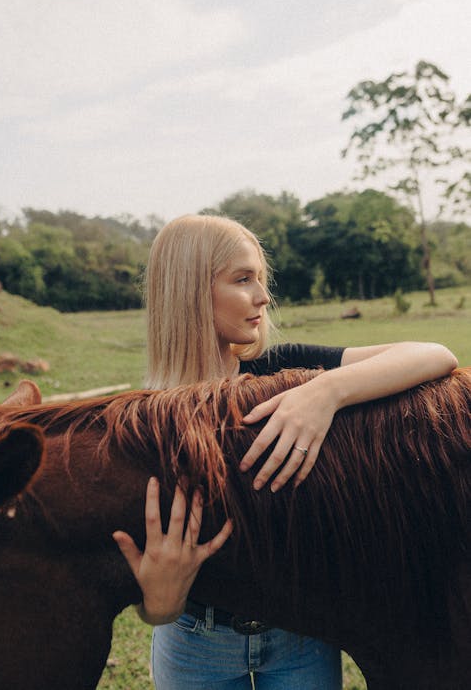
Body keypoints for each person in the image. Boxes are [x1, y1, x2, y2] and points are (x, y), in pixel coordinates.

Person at [113, 213, 458, 690]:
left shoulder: (282, 369)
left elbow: (435, 354)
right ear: (190, 290)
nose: (263, 296)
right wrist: (158, 605)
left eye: (260, 277)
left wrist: (325, 392)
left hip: (301, 631)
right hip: (195, 643)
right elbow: (146, 589)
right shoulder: (147, 419)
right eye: (243, 279)